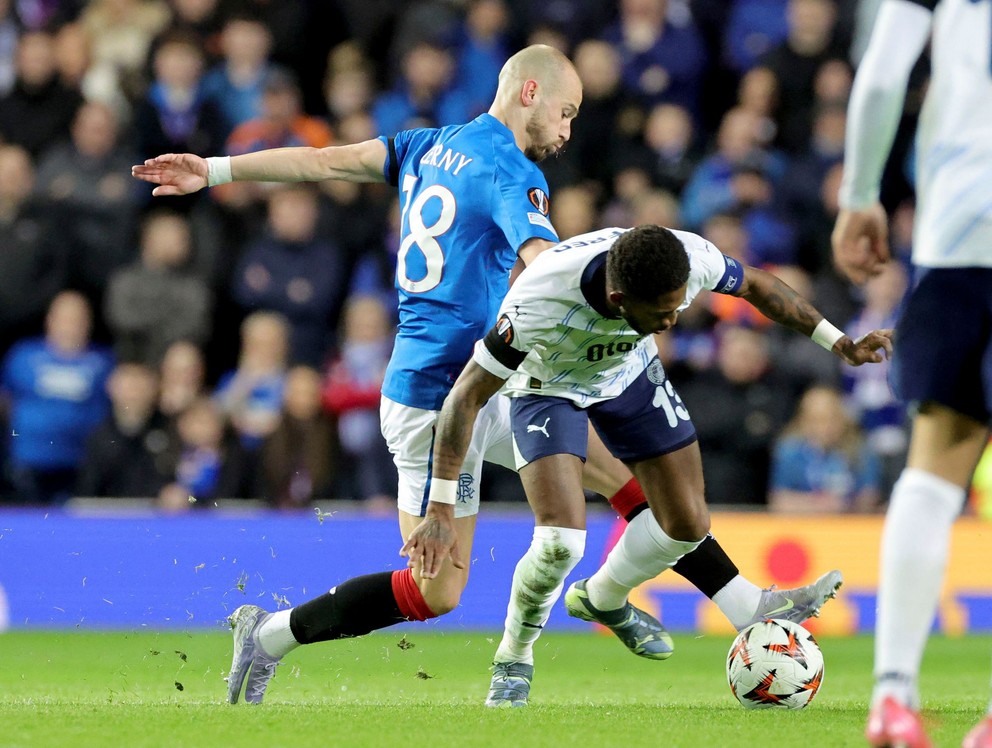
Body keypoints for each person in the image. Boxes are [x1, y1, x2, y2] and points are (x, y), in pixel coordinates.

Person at [133, 44, 845, 708]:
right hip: (434, 398)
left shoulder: (427, 143)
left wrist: (218, 169)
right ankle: (269, 634)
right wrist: (607, 307)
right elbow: (545, 264)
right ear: (528, 92)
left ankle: (743, 604)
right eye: (566, 111)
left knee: (621, 481)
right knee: (433, 592)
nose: (567, 130)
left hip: (492, 378)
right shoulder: (512, 172)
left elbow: (326, 164)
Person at [403, 224, 891, 699]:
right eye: (660, 312)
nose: (673, 320)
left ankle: (603, 597)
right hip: (548, 390)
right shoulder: (539, 304)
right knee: (560, 544)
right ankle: (514, 657)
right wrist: (441, 508)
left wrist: (839, 342)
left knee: (686, 524)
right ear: (619, 300)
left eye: (677, 304)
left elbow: (759, 285)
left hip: (630, 375)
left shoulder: (687, 256)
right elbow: (464, 398)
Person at [830, 0, 992, 744]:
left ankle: (893, 694)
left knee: (932, 469)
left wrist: (860, 194)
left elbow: (882, 73)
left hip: (957, 231)